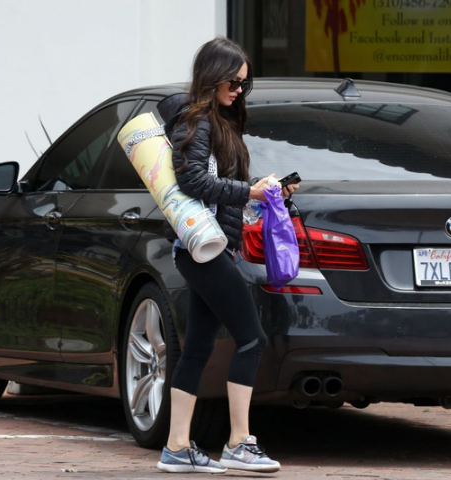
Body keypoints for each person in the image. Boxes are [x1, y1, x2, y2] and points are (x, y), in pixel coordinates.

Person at [154, 37, 299, 474]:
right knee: (252, 338)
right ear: (213, 76)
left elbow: (222, 188)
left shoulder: (219, 124)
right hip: (201, 250)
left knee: (196, 347)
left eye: (244, 82)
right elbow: (193, 181)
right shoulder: (193, 122)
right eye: (234, 81)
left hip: (210, 247)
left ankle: (177, 448)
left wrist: (263, 191)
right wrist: (247, 190)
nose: (240, 89)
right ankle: (239, 442)